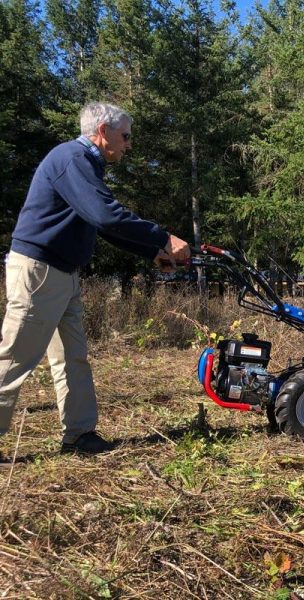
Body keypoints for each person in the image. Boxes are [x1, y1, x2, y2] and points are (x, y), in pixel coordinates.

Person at [0, 102, 190, 461]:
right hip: (39, 273)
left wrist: (152, 252)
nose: (129, 144)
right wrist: (163, 237)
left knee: (73, 358)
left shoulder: (85, 166)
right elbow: (105, 215)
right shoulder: (72, 158)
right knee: (14, 358)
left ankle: (79, 434)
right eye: (126, 136)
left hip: (62, 274)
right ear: (103, 131)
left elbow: (99, 224)